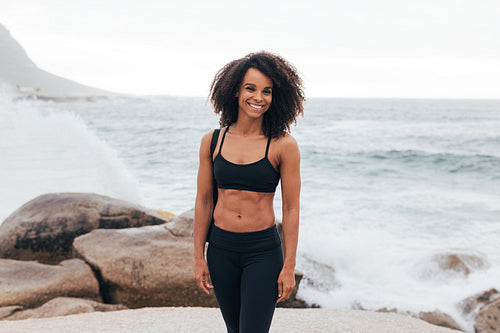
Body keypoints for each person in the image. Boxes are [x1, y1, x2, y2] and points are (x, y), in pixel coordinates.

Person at [193, 51, 304, 333]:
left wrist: (289, 266)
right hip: (221, 251)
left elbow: (291, 209)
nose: (259, 97)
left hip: (262, 253)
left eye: (266, 91)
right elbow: (204, 201)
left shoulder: (283, 145)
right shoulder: (212, 142)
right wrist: (198, 257)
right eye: (250, 88)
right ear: (235, 92)